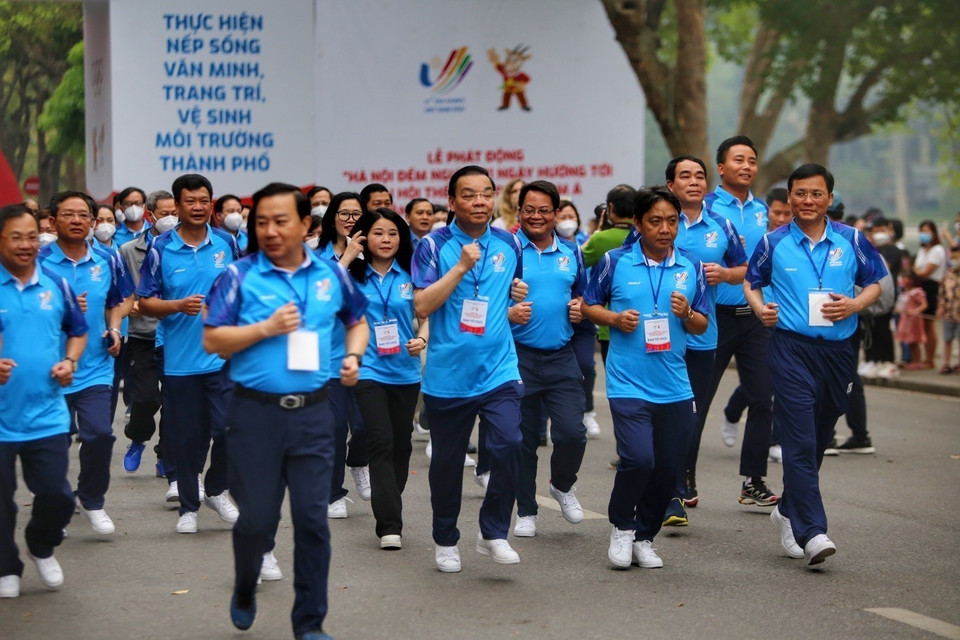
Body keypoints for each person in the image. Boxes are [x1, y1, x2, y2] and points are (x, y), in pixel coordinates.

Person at [204, 182, 368, 639]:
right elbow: (213, 340)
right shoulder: (237, 277)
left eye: (281, 221)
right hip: (255, 415)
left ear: (304, 225)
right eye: (262, 222)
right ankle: (244, 586)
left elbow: (357, 322)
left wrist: (353, 357)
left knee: (313, 520)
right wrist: (265, 328)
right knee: (257, 519)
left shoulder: (330, 275)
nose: (270, 231)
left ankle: (310, 622)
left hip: (314, 413)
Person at [744, 163, 886, 568]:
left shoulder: (851, 239)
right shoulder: (773, 243)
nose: (807, 201)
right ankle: (812, 530)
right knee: (799, 437)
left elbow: (877, 279)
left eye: (816, 194)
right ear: (790, 198)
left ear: (829, 199)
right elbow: (751, 282)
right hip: (790, 348)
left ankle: (788, 508)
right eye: (800, 194)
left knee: (821, 434)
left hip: (839, 353)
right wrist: (760, 310)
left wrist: (857, 303)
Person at [582, 185, 708, 569]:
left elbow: (702, 325)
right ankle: (622, 527)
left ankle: (644, 536)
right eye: (655, 221)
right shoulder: (614, 261)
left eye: (672, 221)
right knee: (638, 458)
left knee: (669, 468)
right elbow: (588, 304)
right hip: (628, 382)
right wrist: (615, 319)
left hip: (674, 384)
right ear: (638, 223)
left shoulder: (691, 267)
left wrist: (687, 312)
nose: (665, 228)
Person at [411, 164, 528, 572]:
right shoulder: (433, 245)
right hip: (449, 375)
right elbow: (422, 305)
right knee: (446, 463)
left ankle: (493, 532)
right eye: (469, 194)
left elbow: (507, 296)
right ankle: (445, 538)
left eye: (485, 193)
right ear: (452, 200)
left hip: (500, 368)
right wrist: (460, 267)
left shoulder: (509, 244)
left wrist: (516, 306)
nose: (479, 201)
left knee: (511, 444)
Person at [138, 173, 240, 534]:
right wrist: (177, 305)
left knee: (230, 427)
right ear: (178, 206)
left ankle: (215, 487)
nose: (198, 207)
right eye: (190, 201)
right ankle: (188, 506)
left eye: (203, 200)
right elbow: (144, 302)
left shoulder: (226, 243)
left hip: (222, 356)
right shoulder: (161, 248)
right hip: (178, 358)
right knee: (187, 434)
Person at [0, 203, 88, 599]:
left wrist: (70, 361)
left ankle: (41, 544)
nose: (25, 245)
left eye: (32, 236)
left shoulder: (56, 284)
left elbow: (78, 330)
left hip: (47, 413)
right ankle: (6, 566)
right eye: (16, 237)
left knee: (57, 496)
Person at [39, 191, 134, 536]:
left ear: (94, 222)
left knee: (98, 435)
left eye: (83, 215)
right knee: (53, 443)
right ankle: (55, 503)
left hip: (96, 366)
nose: (77, 220)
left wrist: (113, 327)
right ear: (53, 221)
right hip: (50, 369)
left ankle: (92, 499)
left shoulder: (107, 259)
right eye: (68, 214)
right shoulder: (37, 260)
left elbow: (120, 300)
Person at [661, 156, 747, 526]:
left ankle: (677, 488)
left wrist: (726, 273)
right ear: (670, 185)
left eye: (699, 176)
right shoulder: (659, 220)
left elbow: (746, 268)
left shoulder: (721, 225)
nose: (693, 182)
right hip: (661, 335)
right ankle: (666, 489)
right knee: (663, 413)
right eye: (685, 176)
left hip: (702, 334)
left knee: (689, 417)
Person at [702, 136, 780, 508]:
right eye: (739, 160)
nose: (747, 166)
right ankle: (682, 477)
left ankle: (753, 480)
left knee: (763, 397)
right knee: (698, 400)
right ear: (721, 167)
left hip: (754, 318)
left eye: (752, 160)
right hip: (713, 317)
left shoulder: (763, 210)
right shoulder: (705, 207)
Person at [508, 180, 588, 538]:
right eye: (529, 210)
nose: (536, 217)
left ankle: (562, 484)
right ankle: (526, 510)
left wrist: (579, 310)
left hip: (561, 355)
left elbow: (584, 296)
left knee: (573, 433)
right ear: (519, 212)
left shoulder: (573, 251)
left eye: (544, 210)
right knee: (523, 440)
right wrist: (508, 304)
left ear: (557, 213)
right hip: (517, 357)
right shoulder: (507, 250)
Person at [345, 208, 426, 549]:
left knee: (402, 443)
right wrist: (348, 255)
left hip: (406, 372)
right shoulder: (352, 274)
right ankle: (389, 524)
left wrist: (423, 338)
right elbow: (321, 295)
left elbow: (428, 313)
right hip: (368, 369)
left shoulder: (412, 272)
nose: (386, 239)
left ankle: (388, 495)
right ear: (365, 236)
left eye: (392, 233)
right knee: (380, 439)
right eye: (378, 233)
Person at [317, 192, 372, 516]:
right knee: (335, 427)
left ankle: (358, 460)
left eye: (356, 214)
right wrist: (347, 257)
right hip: (330, 356)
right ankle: (332, 492)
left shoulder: (376, 251)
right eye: (344, 213)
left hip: (371, 354)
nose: (350, 219)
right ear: (332, 218)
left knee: (365, 426)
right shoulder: (317, 256)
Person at [118, 190, 178, 485]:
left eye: (173, 213)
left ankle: (165, 455)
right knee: (145, 398)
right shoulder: (129, 250)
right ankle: (138, 438)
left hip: (176, 335)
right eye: (164, 214)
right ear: (149, 215)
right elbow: (122, 291)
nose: (170, 219)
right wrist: (133, 306)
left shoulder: (182, 248)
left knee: (174, 400)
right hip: (142, 335)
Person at [556, 199, 600, 438]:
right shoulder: (547, 245)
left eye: (570, 215)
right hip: (556, 320)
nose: (567, 220)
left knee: (585, 366)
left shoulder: (585, 243)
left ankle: (588, 412)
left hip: (583, 316)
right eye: (562, 216)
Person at [914, 220, 946, 369]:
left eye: (927, 231)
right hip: (922, 287)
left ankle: (931, 358)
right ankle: (925, 358)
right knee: (923, 324)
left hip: (932, 287)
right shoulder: (922, 250)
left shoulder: (938, 250)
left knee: (929, 323)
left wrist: (917, 272)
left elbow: (924, 271)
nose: (924, 235)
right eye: (922, 231)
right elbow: (916, 268)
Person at [895, 272, 928, 368]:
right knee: (909, 342)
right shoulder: (905, 292)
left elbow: (924, 304)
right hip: (906, 319)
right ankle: (913, 361)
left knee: (915, 341)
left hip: (914, 320)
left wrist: (915, 311)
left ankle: (917, 362)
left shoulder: (917, 292)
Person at [937, 245, 960, 373]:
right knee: (947, 338)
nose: (954, 259)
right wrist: (941, 306)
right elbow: (942, 293)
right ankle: (946, 363)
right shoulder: (947, 274)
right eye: (953, 257)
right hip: (949, 313)